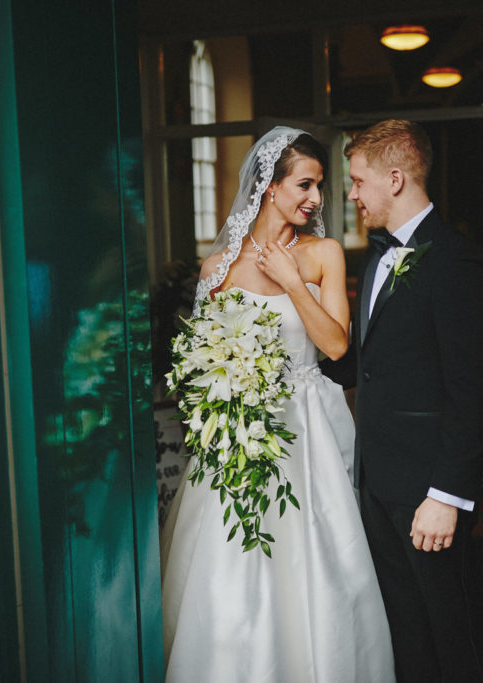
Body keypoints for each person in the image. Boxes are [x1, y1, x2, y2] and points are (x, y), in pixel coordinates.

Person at [160, 127, 395, 682]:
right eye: (305, 184)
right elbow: (200, 360)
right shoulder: (216, 268)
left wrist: (292, 283)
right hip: (240, 434)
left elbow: (337, 345)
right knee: (234, 563)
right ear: (270, 187)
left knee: (315, 561)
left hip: (305, 433)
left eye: (320, 186)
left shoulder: (322, 255)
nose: (316, 198)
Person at [336, 119, 483, 681]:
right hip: (378, 482)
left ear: (396, 179)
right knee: (404, 632)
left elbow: (470, 390)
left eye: (358, 181)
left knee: (454, 633)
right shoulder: (373, 258)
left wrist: (447, 494)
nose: (352, 194)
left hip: (429, 491)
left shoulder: (458, 261)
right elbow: (368, 365)